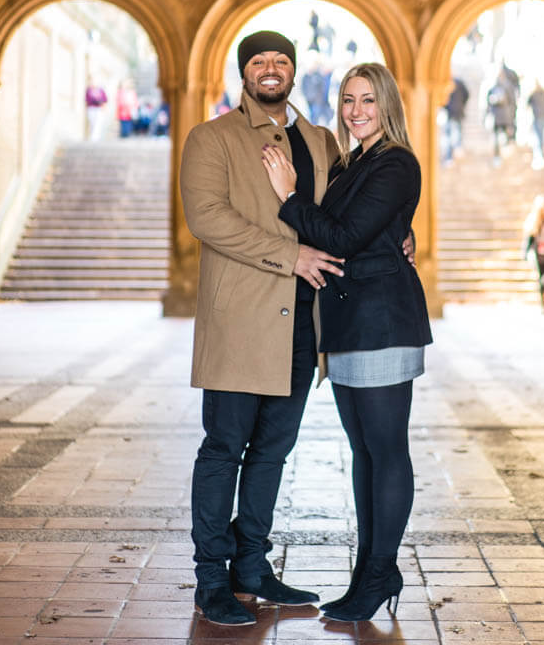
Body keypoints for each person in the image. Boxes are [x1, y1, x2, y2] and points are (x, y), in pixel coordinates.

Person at [179, 31, 345, 626]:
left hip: (304, 323)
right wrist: (290, 257)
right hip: (241, 323)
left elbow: (343, 211)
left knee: (273, 450)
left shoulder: (320, 141)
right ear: (243, 72)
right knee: (224, 448)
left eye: (281, 61)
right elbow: (207, 217)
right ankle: (210, 579)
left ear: (294, 72)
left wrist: (397, 231)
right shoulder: (212, 138)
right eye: (258, 61)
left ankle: (252, 568)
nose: (270, 69)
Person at [261, 62, 433, 623]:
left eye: (368, 100)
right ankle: (370, 569)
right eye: (348, 100)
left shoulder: (396, 163)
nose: (356, 111)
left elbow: (343, 238)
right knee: (363, 453)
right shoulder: (355, 161)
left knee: (386, 452)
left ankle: (380, 571)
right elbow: (367, 229)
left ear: (387, 105)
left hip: (382, 323)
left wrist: (288, 196)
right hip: (349, 323)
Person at [486, 74, 516, 163]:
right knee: (504, 135)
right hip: (506, 117)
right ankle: (505, 154)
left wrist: (487, 114)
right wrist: (512, 117)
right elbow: (512, 102)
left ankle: (497, 157)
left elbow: (488, 103)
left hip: (495, 117)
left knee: (496, 137)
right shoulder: (508, 86)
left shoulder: (492, 87)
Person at [442, 76, 469, 163]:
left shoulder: (453, 83)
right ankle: (454, 152)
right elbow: (467, 94)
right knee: (450, 133)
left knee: (451, 133)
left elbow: (466, 94)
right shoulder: (458, 82)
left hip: (451, 112)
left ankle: (451, 155)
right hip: (453, 112)